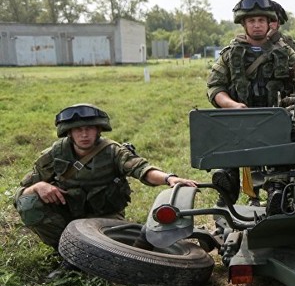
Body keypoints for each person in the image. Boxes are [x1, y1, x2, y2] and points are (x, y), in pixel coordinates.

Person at [14, 103, 198, 276]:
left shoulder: (113, 151)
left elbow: (141, 168)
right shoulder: (55, 153)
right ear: (69, 133)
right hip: (66, 214)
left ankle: (80, 255)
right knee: (29, 203)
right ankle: (66, 252)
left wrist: (169, 178)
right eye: (78, 130)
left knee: (118, 256)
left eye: (89, 129)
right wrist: (39, 186)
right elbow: (21, 193)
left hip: (104, 218)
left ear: (98, 130)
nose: (84, 134)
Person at [206, 0, 295, 207]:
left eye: (261, 21)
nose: (257, 25)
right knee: (226, 178)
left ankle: (277, 201)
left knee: (280, 183)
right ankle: (227, 211)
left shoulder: (284, 51)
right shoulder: (230, 55)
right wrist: (232, 105)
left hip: (276, 124)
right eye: (252, 21)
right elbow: (214, 88)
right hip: (239, 123)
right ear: (244, 24)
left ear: (269, 24)